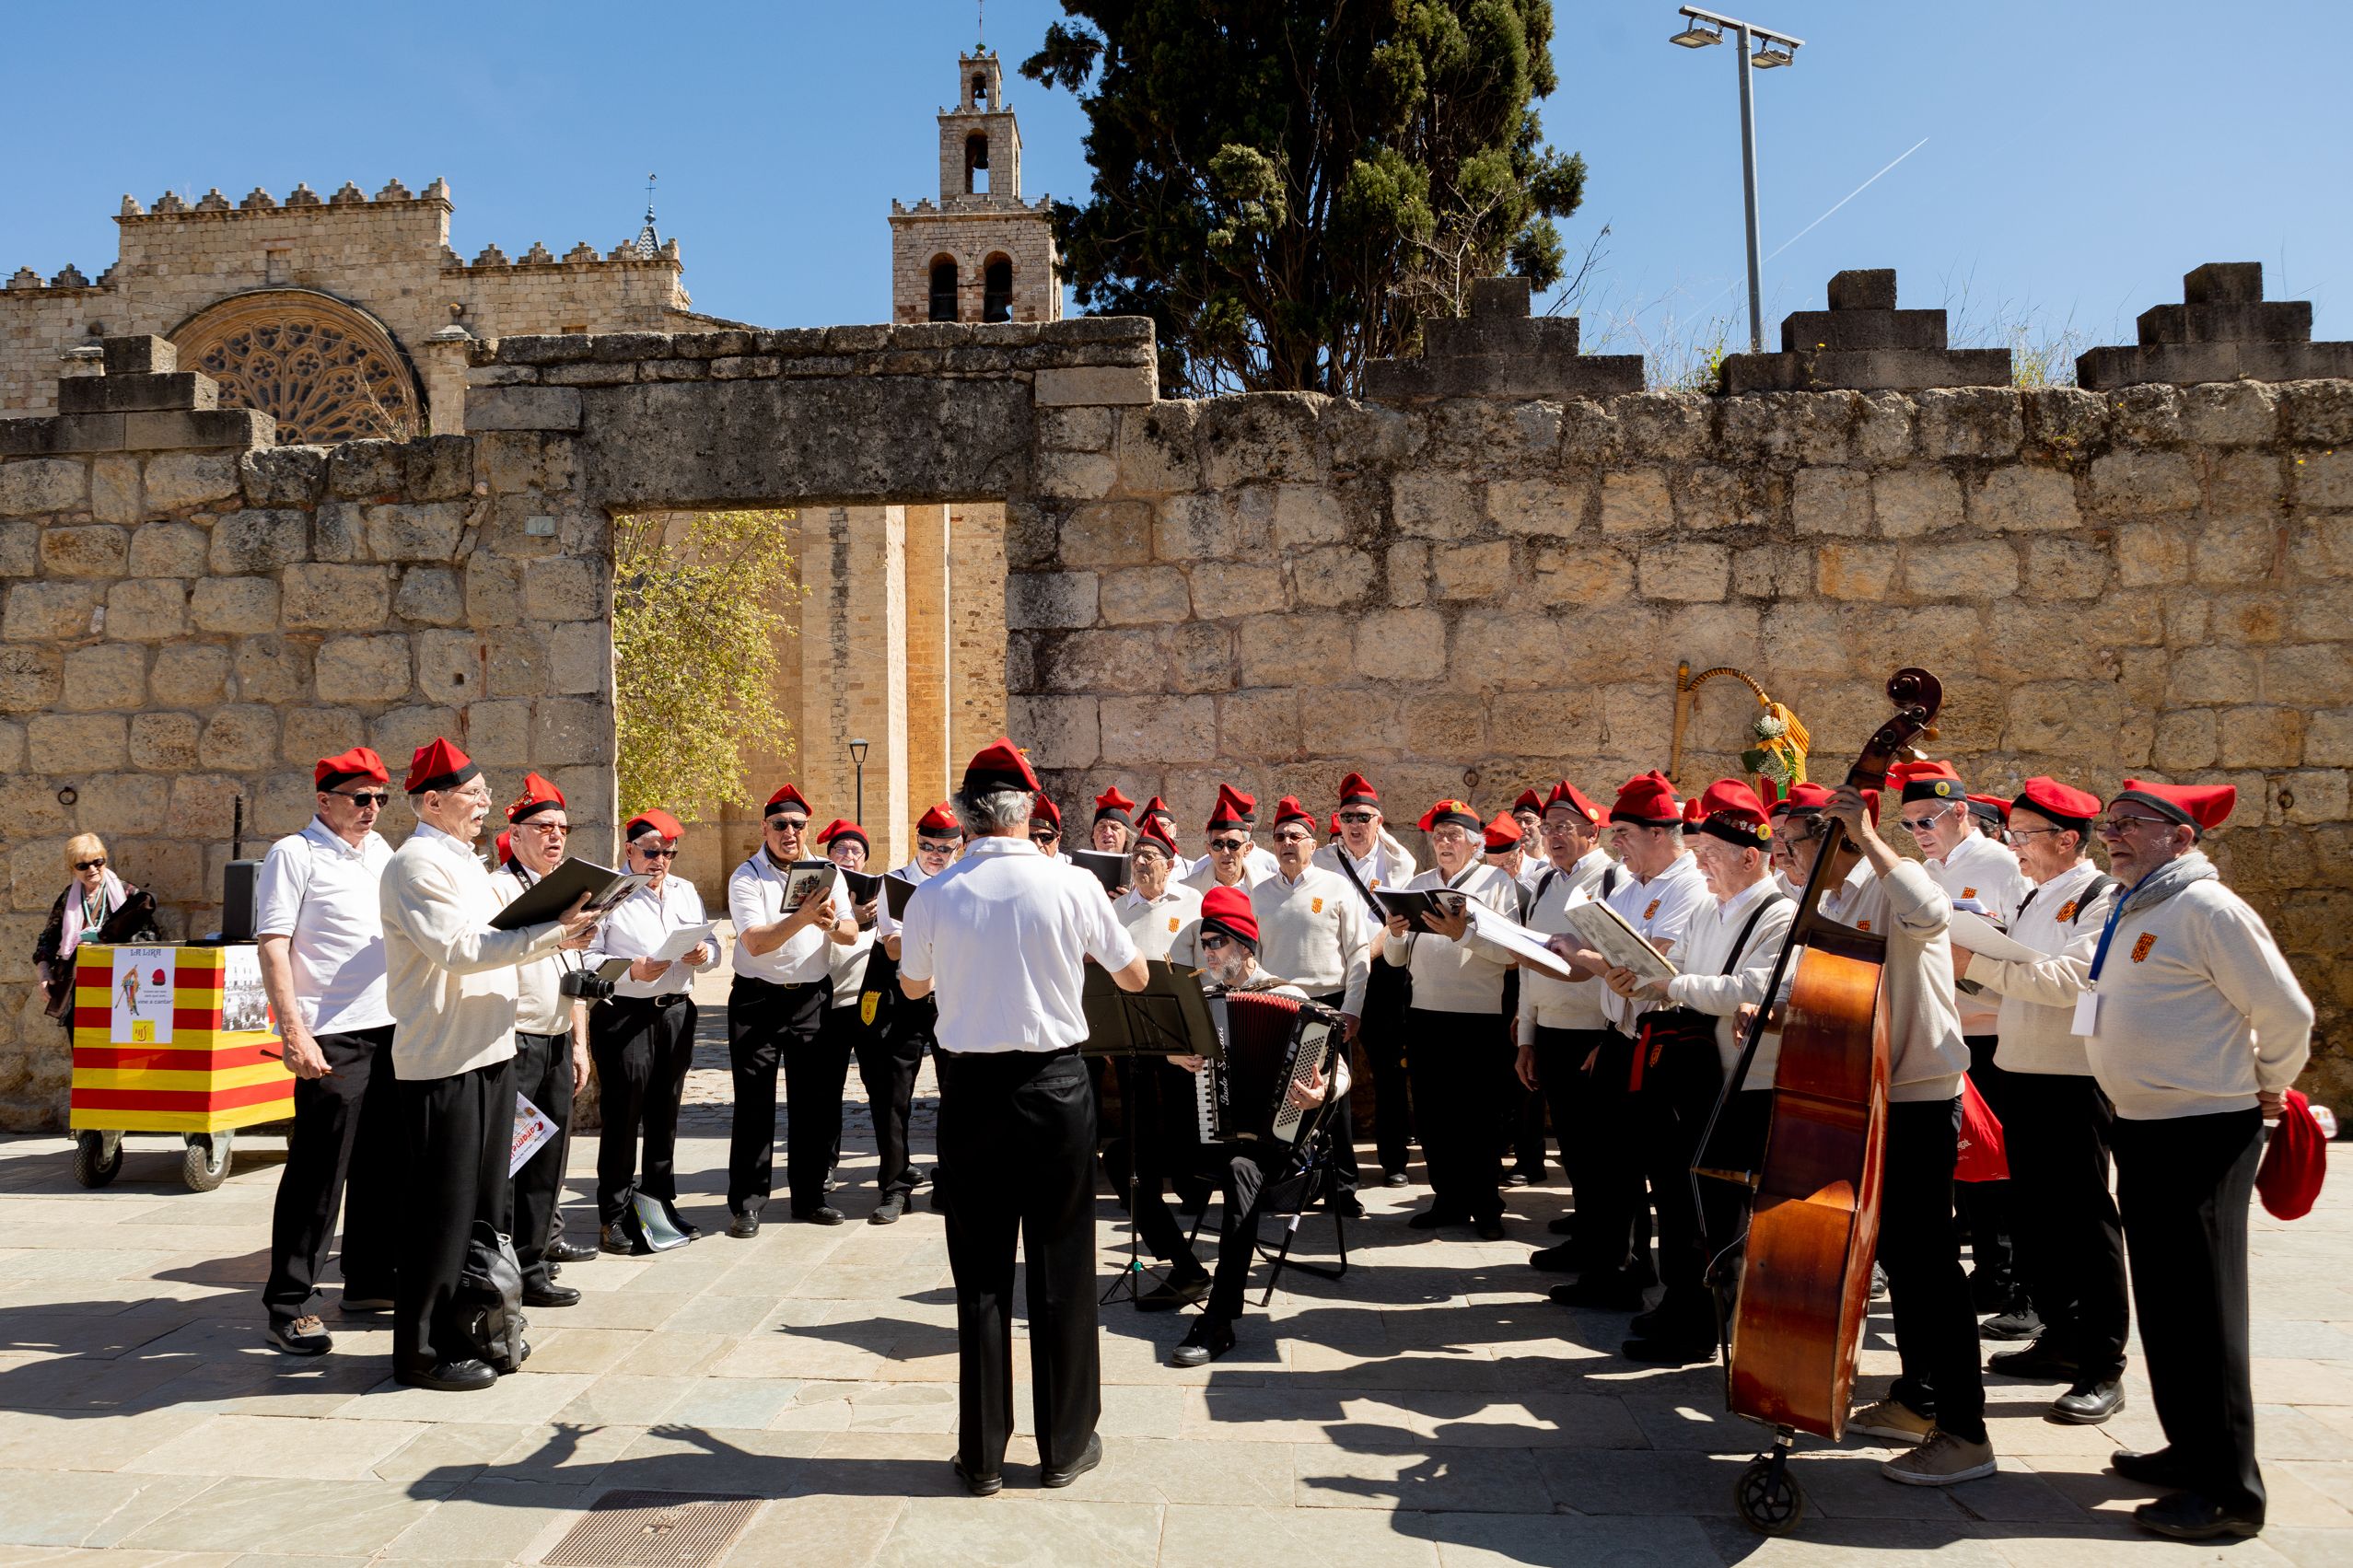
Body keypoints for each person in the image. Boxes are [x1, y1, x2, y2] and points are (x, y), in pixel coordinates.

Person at [897, 738, 1149, 1496]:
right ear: (1031, 811)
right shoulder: (1072, 885)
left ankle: (980, 1456)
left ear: (970, 817)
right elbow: (1135, 978)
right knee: (1061, 1261)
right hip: (1054, 1086)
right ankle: (1065, 1444)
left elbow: (912, 990)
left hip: (971, 1090)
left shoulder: (934, 893)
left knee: (978, 1273)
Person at [2085, 781, 2311, 1540]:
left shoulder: (2207, 908)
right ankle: (2189, 1450)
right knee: (2168, 1302)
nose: (2110, 834)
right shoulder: (2140, 904)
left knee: (2205, 1311)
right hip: (2146, 1126)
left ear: (2181, 837)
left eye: (2130, 825)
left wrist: (2266, 1083)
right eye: (2107, 823)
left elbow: (2286, 1011)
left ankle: (2227, 1492)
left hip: (2202, 1130)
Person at [1776, 781, 1990, 1486]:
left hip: (1918, 1094)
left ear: (1832, 837)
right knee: (1899, 1258)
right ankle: (1918, 1397)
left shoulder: (1891, 879)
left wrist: (1868, 835)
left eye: (1793, 846)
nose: (1784, 860)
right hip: (1866, 1089)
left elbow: (1933, 913)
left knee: (1928, 1262)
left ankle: (1965, 1432)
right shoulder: (1834, 899)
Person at [379, 738, 597, 1389]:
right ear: (432, 800)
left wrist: (557, 926)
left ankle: (464, 1328)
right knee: (439, 1214)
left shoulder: (467, 864)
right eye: (473, 795)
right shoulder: (416, 864)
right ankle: (418, 1352)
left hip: (492, 1049)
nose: (485, 805)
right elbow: (462, 950)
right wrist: (556, 933)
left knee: (481, 1210)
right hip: (443, 1059)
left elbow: (500, 940)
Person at [1600, 780, 1792, 1364]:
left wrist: (1670, 984)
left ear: (1750, 857)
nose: (1699, 863)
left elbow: (1757, 989)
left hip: (1738, 1082)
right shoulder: (1710, 907)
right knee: (1679, 1201)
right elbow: (1677, 964)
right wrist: (1636, 975)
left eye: (1709, 854)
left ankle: (1705, 1324)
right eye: (1699, 851)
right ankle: (1681, 1304)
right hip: (1693, 1074)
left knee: (1719, 1212)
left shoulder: (1777, 914)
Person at [1953, 777, 2126, 1423]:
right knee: (2033, 1212)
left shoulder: (2098, 897)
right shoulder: (2031, 897)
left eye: (2023, 835)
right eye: (2012, 834)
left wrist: (1974, 960)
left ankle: (2102, 1361)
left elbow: (2071, 979)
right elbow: (2017, 980)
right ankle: (2060, 1332)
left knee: (2084, 1216)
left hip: (2071, 1076)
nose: (2013, 845)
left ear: (2066, 839)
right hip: (2018, 1067)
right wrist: (1970, 966)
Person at [1162, 885, 1346, 1366]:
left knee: (1243, 1169)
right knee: (1125, 1160)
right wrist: (1173, 1054)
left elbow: (1340, 1069)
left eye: (1216, 943)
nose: (1208, 953)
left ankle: (1219, 1319)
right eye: (1204, 943)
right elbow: (1166, 1048)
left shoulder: (1291, 998)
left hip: (1274, 1142)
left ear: (1244, 947)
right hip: (1211, 1132)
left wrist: (1322, 1090)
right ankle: (1186, 1270)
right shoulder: (1202, 999)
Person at [1543, 771, 1708, 1311]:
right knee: (1610, 1165)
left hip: (1663, 1041)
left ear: (1660, 833)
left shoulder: (1686, 884)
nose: (1617, 845)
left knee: (1663, 1175)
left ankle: (1669, 1291)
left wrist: (1585, 957)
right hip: (1624, 1034)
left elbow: (1651, 969)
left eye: (1625, 834)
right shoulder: (1635, 883)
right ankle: (1616, 1270)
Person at [255, 749, 401, 1357]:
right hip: (331, 1035)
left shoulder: (383, 853)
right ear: (324, 800)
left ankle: (366, 1280)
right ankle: (289, 1300)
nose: (371, 810)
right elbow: (272, 945)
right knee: (319, 1171)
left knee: (381, 1165)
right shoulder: (295, 853)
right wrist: (294, 1032)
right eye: (359, 798)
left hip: (391, 1027)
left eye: (380, 799)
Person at [1890, 760, 2034, 1336]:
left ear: (1959, 812)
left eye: (1926, 820)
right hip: (1950, 1025)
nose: (1920, 834)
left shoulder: (1999, 862)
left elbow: (2020, 939)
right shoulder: (1926, 869)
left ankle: (2022, 1283)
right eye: (1908, 825)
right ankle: (1991, 1273)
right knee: (1968, 1164)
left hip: (1993, 1024)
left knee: (2006, 1166)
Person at [1378, 798, 1522, 1239]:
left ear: (1474, 843)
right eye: (1438, 835)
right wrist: (1396, 934)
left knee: (1478, 1115)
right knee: (1434, 1113)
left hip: (1478, 1017)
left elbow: (1511, 955)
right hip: (1425, 1014)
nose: (1444, 842)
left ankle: (1486, 1206)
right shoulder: (1419, 883)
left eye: (1453, 835)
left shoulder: (1496, 883)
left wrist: (1466, 935)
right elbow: (1395, 958)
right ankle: (1448, 1200)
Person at [725, 785, 856, 1235]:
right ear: (765, 828)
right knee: (754, 1101)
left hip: (810, 998)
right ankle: (747, 1202)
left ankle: (810, 1196)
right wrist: (803, 916)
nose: (789, 832)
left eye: (798, 825)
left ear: (807, 831)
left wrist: (832, 923)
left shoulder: (827, 872)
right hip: (757, 999)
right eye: (780, 824)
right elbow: (757, 942)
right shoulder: (746, 876)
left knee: (814, 1101)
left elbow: (852, 932)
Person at [587, 807, 718, 1251]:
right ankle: (614, 1215)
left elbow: (714, 944)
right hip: (625, 1014)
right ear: (629, 850)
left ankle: (659, 1203)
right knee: (623, 1117)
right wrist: (631, 973)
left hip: (676, 1013)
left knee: (665, 1115)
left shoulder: (685, 890)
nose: (660, 861)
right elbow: (586, 959)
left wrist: (705, 954)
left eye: (669, 853)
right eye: (651, 852)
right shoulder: (610, 892)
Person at [488, 772, 592, 1307]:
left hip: (555, 1034)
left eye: (562, 828)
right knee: (511, 1158)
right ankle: (502, 1266)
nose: (555, 836)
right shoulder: (500, 888)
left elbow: (572, 972)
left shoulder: (568, 891)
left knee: (549, 1157)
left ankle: (535, 1264)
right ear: (516, 832)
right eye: (543, 827)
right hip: (516, 1037)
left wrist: (579, 1044)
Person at [1252, 796, 1373, 1214]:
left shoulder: (1336, 887)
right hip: (1280, 1004)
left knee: (1331, 1100)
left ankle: (1342, 1188)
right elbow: (1255, 956)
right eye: (1281, 836)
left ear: (1312, 841)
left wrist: (1353, 1009)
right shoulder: (1259, 894)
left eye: (1296, 836)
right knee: (1283, 1095)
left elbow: (1358, 952)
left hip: (1328, 1005)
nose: (1287, 843)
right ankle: (1286, 1182)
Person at [1517, 782, 1618, 1278]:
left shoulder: (1610, 881)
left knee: (1601, 1151)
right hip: (1552, 1027)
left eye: (1565, 827)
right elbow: (1531, 963)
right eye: (1549, 827)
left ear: (1593, 832)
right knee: (1574, 1147)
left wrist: (1608, 1035)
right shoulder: (1544, 883)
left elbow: (1619, 966)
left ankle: (1609, 1252)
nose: (1554, 835)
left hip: (1592, 1033)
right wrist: (1527, 1036)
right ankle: (1588, 1235)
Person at [1314, 772, 1418, 1186]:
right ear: (1337, 821)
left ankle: (1394, 1161)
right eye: (1347, 818)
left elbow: (1395, 921)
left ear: (1379, 821)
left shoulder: (1398, 862)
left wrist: (1363, 958)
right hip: (1334, 974)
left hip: (1382, 973)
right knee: (1326, 1067)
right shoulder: (1321, 859)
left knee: (1388, 1068)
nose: (1355, 826)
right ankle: (1333, 1165)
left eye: (1364, 817)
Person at [866, 802, 961, 1220]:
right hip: (904, 997)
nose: (935, 854)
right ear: (916, 843)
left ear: (958, 847)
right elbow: (894, 945)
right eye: (927, 846)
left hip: (952, 999)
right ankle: (895, 1185)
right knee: (893, 1095)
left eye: (944, 847)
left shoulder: (962, 882)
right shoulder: (896, 884)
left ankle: (951, 1180)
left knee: (956, 1093)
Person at [814, 819, 884, 1215]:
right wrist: (850, 918)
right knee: (827, 1089)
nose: (849, 856)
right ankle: (825, 1164)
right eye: (841, 850)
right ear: (830, 857)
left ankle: (890, 1164)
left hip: (870, 1005)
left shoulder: (883, 897)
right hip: (832, 1003)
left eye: (856, 851)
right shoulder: (823, 894)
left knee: (881, 1086)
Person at [34, 833, 156, 1028]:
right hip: (77, 987)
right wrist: (44, 971)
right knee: (82, 1049)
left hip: (118, 986)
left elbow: (150, 938)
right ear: (72, 869)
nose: (92, 869)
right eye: (83, 866)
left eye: (97, 862)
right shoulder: (68, 896)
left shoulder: (128, 894)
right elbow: (48, 937)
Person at [1184, 784, 1273, 892]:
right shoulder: (1190, 887)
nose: (1225, 852)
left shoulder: (1268, 883)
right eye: (1218, 845)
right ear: (1209, 849)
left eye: (1233, 844)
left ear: (1247, 848)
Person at [1090, 786, 1137, 855]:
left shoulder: (1134, 865)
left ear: (1127, 836)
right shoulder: (1073, 865)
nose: (1108, 833)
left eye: (1115, 827)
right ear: (1093, 834)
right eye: (1102, 827)